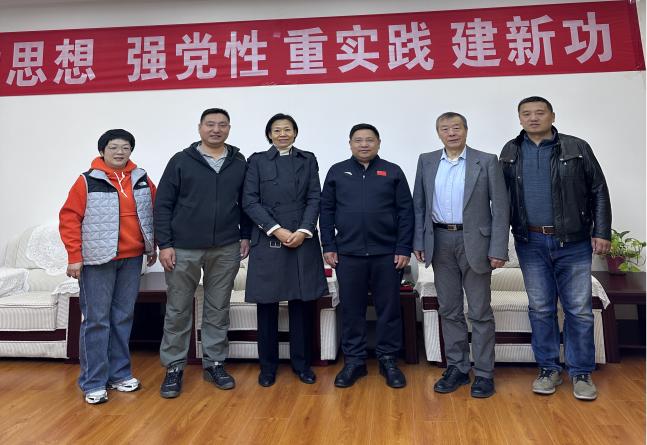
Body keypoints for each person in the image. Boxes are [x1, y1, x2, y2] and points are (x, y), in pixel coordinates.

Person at [500, 96, 611, 400]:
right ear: (519, 119)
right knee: (540, 309)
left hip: (573, 242)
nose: (533, 118)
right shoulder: (510, 151)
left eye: (540, 112)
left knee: (579, 310)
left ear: (552, 115)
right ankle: (548, 369)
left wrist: (602, 231)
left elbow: (599, 190)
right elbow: (502, 198)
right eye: (526, 114)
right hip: (530, 242)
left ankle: (581, 372)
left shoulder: (576, 147)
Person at [155, 108, 251, 398]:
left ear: (229, 128)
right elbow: (163, 204)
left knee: (218, 308)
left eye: (222, 124)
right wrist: (165, 244)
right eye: (210, 124)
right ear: (200, 127)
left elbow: (247, 202)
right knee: (178, 309)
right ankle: (174, 367)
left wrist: (245, 235)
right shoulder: (181, 160)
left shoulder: (239, 162)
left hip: (225, 246)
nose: (216, 129)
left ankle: (215, 364)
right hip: (182, 248)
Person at [413, 112, 509, 398]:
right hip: (440, 239)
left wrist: (498, 248)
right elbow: (419, 205)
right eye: (445, 128)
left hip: (475, 242)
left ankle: (484, 373)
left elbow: (501, 208)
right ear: (438, 133)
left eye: (456, 127)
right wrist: (419, 240)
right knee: (449, 309)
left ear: (466, 130)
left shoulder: (486, 160)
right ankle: (457, 367)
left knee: (479, 311)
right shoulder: (427, 160)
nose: (451, 133)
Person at [59, 129, 157, 404]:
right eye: (113, 147)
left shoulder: (140, 178)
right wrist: (74, 256)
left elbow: (154, 211)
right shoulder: (87, 181)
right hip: (97, 260)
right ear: (102, 151)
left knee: (123, 317)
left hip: (132, 258)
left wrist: (153, 245)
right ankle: (93, 382)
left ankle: (119, 374)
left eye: (125, 147)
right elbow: (69, 218)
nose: (119, 152)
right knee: (97, 321)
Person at [320, 123, 413, 389]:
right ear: (350, 144)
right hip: (348, 254)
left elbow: (406, 212)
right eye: (358, 140)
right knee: (352, 310)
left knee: (388, 310)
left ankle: (388, 360)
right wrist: (329, 245)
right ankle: (354, 361)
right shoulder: (337, 171)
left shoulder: (392, 171)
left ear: (378, 143)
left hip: (387, 254)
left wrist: (403, 248)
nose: (364, 144)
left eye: (369, 140)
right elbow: (326, 211)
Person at [242, 113, 329, 387]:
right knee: (267, 305)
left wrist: (304, 230)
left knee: (301, 304)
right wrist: (276, 229)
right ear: (269, 135)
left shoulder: (308, 159)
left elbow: (314, 197)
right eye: (277, 130)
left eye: (287, 129)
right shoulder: (257, 161)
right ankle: (267, 367)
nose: (282, 134)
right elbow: (249, 201)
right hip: (268, 238)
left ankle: (302, 365)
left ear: (295, 133)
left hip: (302, 238)